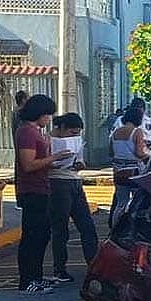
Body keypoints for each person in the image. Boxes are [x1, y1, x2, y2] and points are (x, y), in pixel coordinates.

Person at [15, 94, 72, 295]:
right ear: (39, 113)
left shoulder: (36, 132)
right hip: (32, 190)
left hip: (42, 186)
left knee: (42, 235)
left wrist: (55, 162)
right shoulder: (27, 133)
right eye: (47, 115)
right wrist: (54, 157)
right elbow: (28, 164)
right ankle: (27, 279)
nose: (49, 119)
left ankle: (36, 276)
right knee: (32, 236)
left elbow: (39, 162)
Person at [49, 113, 99, 284]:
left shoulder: (76, 142)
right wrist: (56, 159)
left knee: (88, 226)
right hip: (57, 182)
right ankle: (59, 269)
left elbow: (81, 161)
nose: (74, 136)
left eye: (77, 133)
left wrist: (79, 163)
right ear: (60, 128)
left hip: (75, 181)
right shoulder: (47, 141)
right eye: (72, 133)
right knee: (60, 228)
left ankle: (93, 264)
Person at [110, 105, 151, 226]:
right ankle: (131, 228)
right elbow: (139, 153)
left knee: (121, 203)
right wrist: (149, 155)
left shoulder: (115, 132)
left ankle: (115, 228)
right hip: (134, 171)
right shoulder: (137, 132)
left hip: (118, 171)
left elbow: (111, 153)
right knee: (136, 202)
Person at [11, 90, 29, 210]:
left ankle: (20, 199)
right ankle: (22, 199)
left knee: (19, 172)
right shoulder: (22, 112)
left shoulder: (15, 112)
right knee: (23, 173)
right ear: (23, 100)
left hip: (18, 145)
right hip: (23, 145)